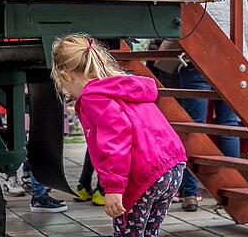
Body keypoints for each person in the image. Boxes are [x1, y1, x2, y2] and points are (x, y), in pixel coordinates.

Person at [51, 34, 187, 236]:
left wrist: (114, 188)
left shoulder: (92, 97)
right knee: (149, 232)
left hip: (144, 175)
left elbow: (117, 138)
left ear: (67, 75)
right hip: (172, 167)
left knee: (127, 232)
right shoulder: (123, 86)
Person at [177, 0, 248, 211]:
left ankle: (190, 193)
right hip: (232, 61)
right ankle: (233, 187)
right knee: (228, 127)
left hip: (196, 58)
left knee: (192, 128)